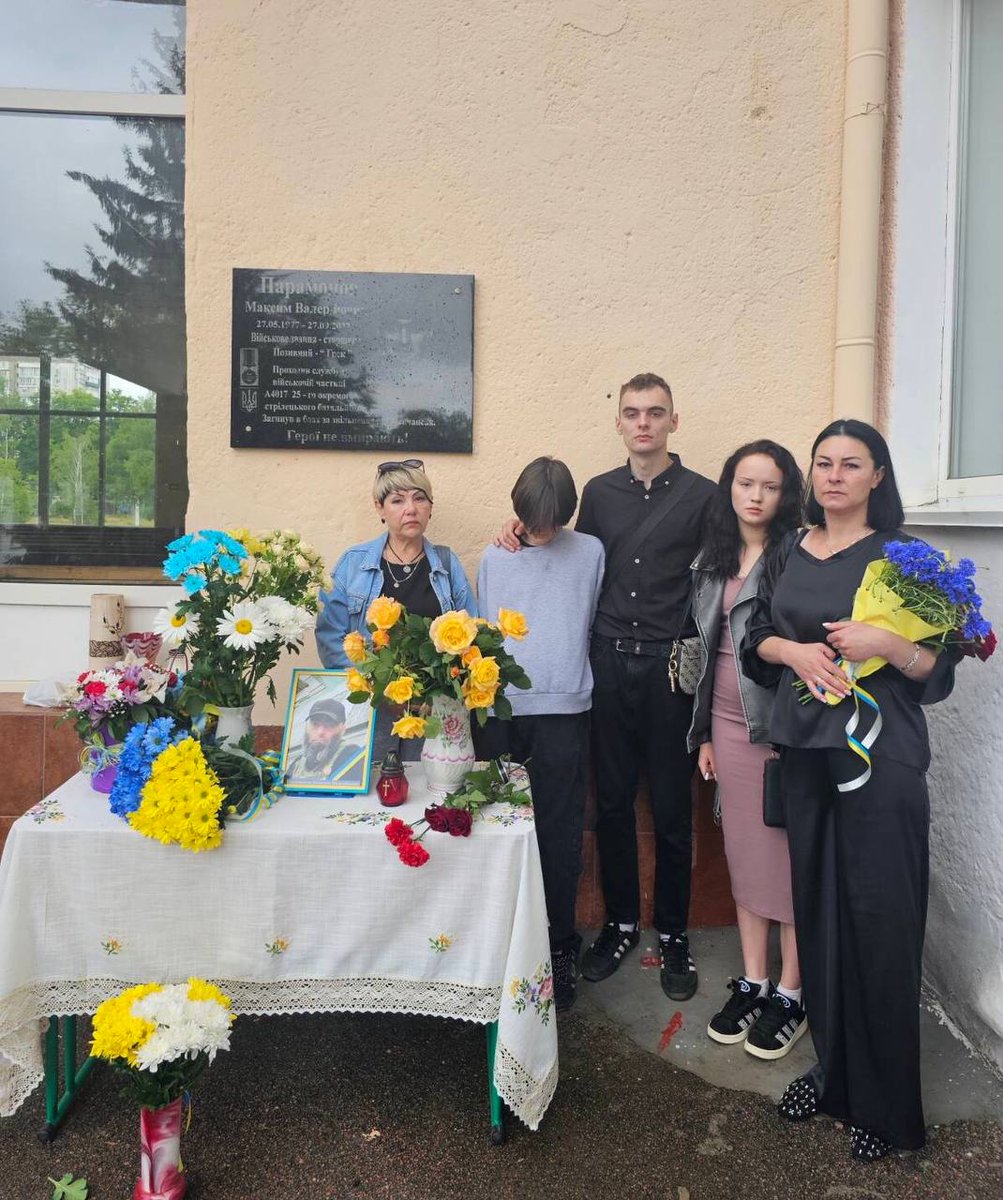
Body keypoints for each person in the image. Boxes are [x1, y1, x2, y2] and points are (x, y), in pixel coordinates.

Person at [741, 418, 960, 1161]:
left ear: (876, 477)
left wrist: (888, 645)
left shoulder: (906, 559)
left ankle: (889, 1107)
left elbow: (940, 667)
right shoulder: (786, 552)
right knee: (822, 917)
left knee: (881, 923)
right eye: (823, 463)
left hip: (881, 758)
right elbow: (753, 642)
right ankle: (833, 1075)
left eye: (851, 464)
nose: (834, 476)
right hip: (805, 758)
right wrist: (791, 650)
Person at [497, 373, 715, 1000]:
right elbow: (561, 545)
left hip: (672, 670)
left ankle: (673, 930)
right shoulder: (596, 492)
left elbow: (722, 574)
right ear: (618, 423)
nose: (643, 423)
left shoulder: (704, 497)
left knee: (673, 810)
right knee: (614, 802)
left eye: (655, 412)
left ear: (675, 420)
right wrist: (515, 527)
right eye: (631, 413)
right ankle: (620, 922)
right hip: (608, 665)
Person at [688, 440, 807, 1059]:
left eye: (769, 485)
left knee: (788, 862)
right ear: (728, 488)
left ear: (786, 494)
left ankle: (793, 991)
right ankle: (755, 979)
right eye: (744, 483)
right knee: (744, 857)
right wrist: (704, 731)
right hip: (728, 728)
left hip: (782, 731)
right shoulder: (714, 558)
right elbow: (706, 651)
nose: (756, 496)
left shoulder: (799, 556)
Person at [477, 457, 605, 1011]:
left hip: (566, 711)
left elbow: (593, 616)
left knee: (559, 833)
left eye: (553, 521)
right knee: (498, 826)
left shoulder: (590, 552)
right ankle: (501, 943)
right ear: (518, 511)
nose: (543, 532)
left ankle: (558, 946)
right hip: (502, 712)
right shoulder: (494, 556)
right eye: (533, 520)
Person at [315, 459, 476, 760]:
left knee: (430, 794)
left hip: (433, 713)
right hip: (371, 713)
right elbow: (329, 637)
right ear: (380, 508)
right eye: (397, 500)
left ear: (430, 507)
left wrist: (439, 691)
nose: (410, 509)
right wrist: (375, 687)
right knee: (373, 795)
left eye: (419, 498)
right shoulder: (354, 563)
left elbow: (472, 638)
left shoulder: (447, 564)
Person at [284, 697, 367, 787]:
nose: (320, 732)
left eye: (329, 725)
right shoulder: (296, 764)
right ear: (307, 727)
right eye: (315, 724)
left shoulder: (352, 757)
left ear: (342, 729)